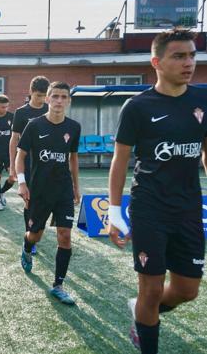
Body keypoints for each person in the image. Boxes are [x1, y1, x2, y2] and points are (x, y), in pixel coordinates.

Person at [108, 29, 206, 354]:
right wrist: (113, 211)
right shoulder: (137, 107)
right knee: (151, 289)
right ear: (157, 62)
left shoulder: (202, 100)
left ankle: (140, 312)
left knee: (187, 290)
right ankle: (147, 338)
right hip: (149, 208)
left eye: (192, 55)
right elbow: (120, 161)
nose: (188, 62)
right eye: (179, 56)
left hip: (189, 208)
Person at [16, 81, 81, 305]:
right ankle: (26, 248)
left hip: (63, 189)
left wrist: (76, 186)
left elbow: (73, 158)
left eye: (64, 97)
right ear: (47, 99)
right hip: (39, 190)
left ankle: (58, 285)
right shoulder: (34, 125)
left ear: (69, 101)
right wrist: (22, 183)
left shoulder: (74, 127)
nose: (59, 101)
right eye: (55, 97)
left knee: (65, 235)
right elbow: (20, 156)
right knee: (35, 235)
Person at [9, 75, 50, 255]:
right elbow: (14, 140)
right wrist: (12, 166)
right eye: (39, 95)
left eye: (44, 95)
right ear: (31, 92)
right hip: (27, 162)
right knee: (29, 201)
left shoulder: (50, 109)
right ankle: (30, 236)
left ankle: (36, 230)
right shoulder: (21, 113)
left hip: (47, 163)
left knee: (43, 201)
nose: (42, 99)